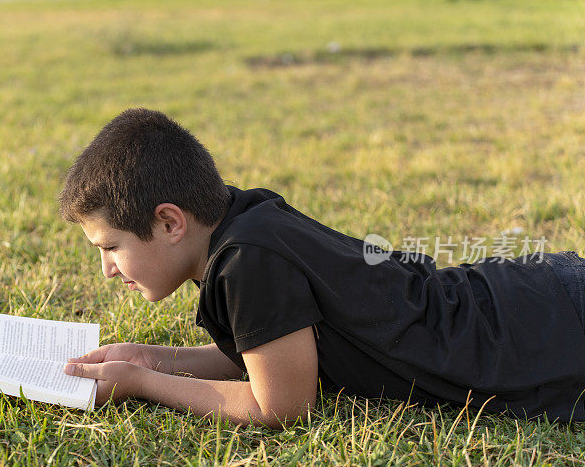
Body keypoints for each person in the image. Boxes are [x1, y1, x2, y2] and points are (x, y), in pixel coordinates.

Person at [60, 108, 585, 428]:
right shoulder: (245, 223)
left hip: (543, 335)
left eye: (111, 246)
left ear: (170, 222)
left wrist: (139, 383)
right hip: (532, 304)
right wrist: (152, 358)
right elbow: (269, 353)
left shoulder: (247, 261)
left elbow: (280, 405)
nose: (107, 268)